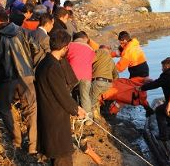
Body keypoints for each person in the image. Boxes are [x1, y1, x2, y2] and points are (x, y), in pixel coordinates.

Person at [0, 9, 39, 154]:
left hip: (6, 78)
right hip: (27, 75)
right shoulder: (22, 31)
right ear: (7, 18)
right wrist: (28, 64)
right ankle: (32, 146)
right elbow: (35, 48)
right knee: (31, 109)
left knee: (5, 108)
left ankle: (16, 139)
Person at [35, 29, 86, 165]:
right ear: (65, 47)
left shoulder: (47, 62)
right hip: (54, 118)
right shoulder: (52, 67)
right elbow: (62, 94)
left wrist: (75, 108)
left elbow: (69, 83)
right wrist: (76, 110)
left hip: (50, 115)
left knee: (57, 156)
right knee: (62, 156)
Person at [139, 57, 170, 141]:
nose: (162, 69)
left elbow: (156, 84)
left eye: (163, 67)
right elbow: (158, 82)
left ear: (168, 66)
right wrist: (152, 82)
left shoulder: (167, 75)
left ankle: (163, 136)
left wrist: (141, 88)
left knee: (159, 111)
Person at [67, 31, 95, 115]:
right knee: (85, 96)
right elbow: (92, 61)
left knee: (67, 93)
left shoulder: (70, 45)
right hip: (87, 75)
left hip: (73, 74)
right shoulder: (91, 49)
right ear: (84, 38)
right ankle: (88, 119)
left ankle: (70, 114)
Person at [90, 45, 118, 122]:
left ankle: (92, 120)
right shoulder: (111, 60)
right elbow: (116, 76)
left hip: (98, 81)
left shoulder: (99, 52)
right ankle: (99, 118)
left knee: (90, 101)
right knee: (97, 100)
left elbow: (89, 61)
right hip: (108, 84)